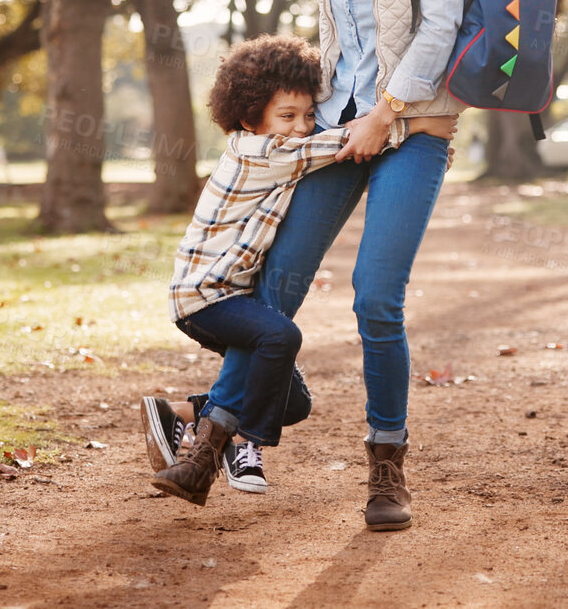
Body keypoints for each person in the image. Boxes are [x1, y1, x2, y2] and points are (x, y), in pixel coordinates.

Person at [156, 0, 468, 531]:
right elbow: (336, 32)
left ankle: (386, 466)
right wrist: (304, 110)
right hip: (338, 130)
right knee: (277, 283)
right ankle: (210, 443)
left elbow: (438, 26)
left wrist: (385, 111)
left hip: (412, 126)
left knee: (375, 298)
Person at [145, 35, 448, 505]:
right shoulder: (265, 151)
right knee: (280, 337)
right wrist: (424, 125)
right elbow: (347, 141)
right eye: (287, 117)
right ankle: (242, 443)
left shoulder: (277, 145)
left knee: (295, 403)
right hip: (208, 298)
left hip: (227, 296)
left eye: (308, 116)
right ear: (249, 118)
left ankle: (184, 413)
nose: (302, 128)